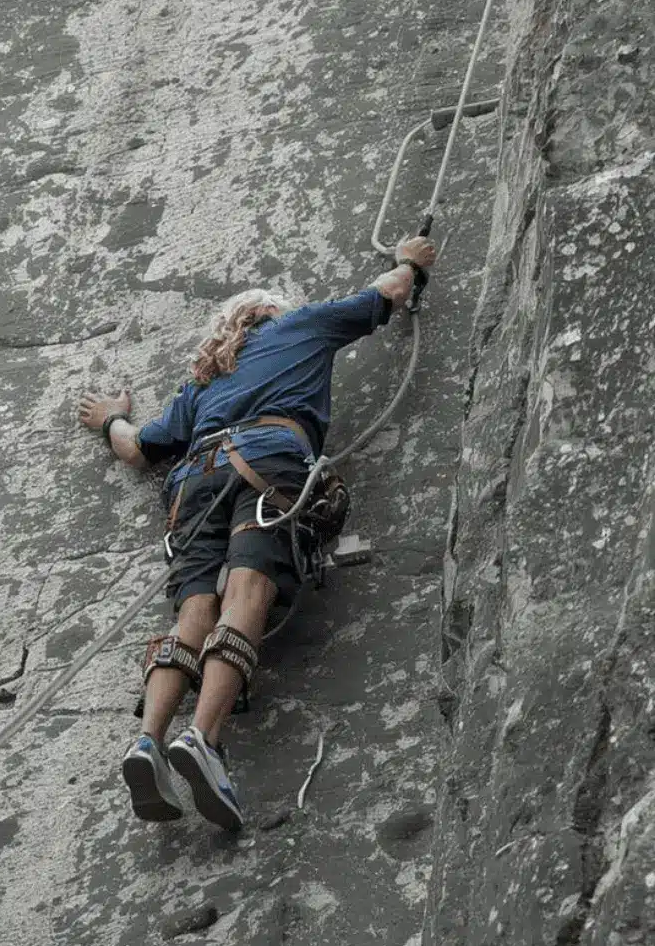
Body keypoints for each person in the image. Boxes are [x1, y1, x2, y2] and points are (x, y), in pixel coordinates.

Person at [75, 234, 438, 833]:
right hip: (268, 464)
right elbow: (389, 294)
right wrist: (410, 262)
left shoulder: (201, 383)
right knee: (246, 595)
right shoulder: (301, 328)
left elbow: (137, 449)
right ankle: (203, 740)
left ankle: (147, 743)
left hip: (194, 480)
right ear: (272, 312)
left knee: (194, 609)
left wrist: (110, 415)